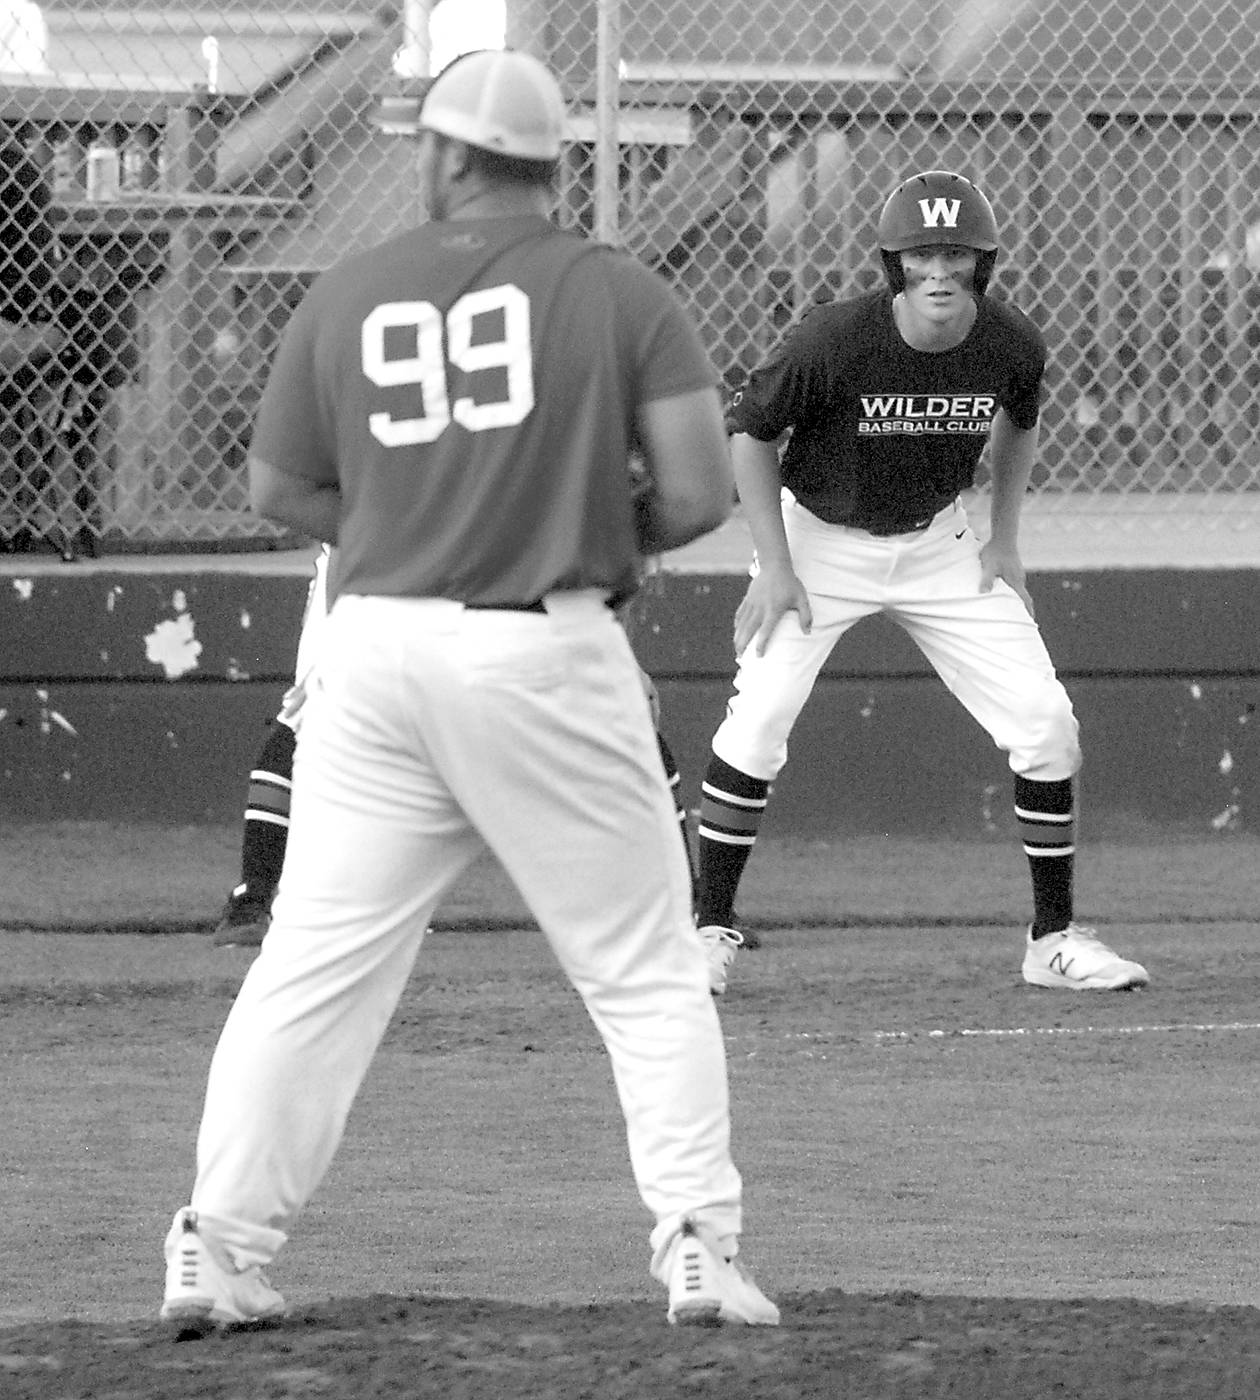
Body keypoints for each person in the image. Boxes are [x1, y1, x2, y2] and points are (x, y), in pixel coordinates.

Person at [160, 49, 779, 1335]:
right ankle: (698, 1245)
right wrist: (587, 526)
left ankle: (217, 1242)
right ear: (554, 166)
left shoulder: (351, 288)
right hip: (542, 648)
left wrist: (416, 518)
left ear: (444, 156)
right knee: (645, 967)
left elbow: (277, 488)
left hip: (374, 653)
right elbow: (698, 490)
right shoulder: (617, 290)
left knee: (313, 966)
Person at [694, 169, 1149, 994]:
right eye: (921, 255)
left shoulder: (1011, 342)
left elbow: (1020, 424)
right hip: (819, 540)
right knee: (757, 721)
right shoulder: (832, 338)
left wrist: (1005, 541)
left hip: (940, 540)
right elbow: (749, 436)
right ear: (893, 264)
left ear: (983, 262)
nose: (939, 271)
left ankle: (1053, 942)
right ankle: (706, 932)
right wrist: (777, 566)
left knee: (1047, 724)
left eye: (956, 255)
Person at [213, 552, 698, 948]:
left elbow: (612, 550)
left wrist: (618, 657)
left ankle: (691, 904)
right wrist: (339, 642)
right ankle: (253, 898)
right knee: (313, 708)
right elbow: (337, 517)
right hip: (378, 561)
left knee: (619, 711)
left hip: (514, 562)